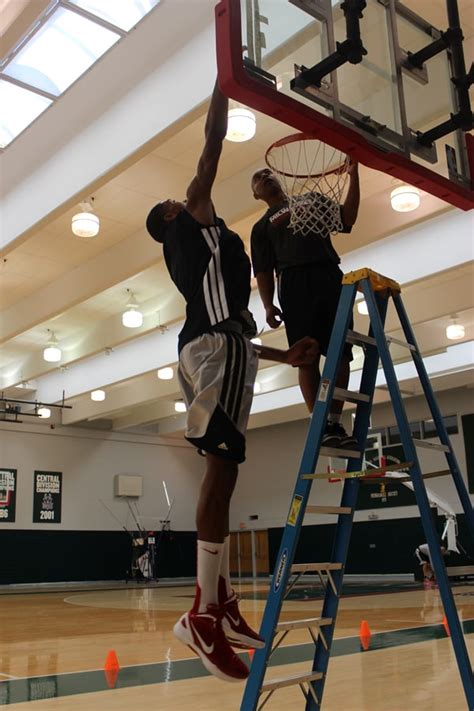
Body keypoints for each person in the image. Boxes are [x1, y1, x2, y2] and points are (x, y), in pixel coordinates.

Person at [146, 80, 319, 683]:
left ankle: (216, 602)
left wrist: (283, 355)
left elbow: (233, 328)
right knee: (220, 471)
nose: (189, 196)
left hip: (227, 347)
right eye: (180, 200)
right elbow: (211, 143)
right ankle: (201, 614)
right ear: (172, 215)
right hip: (214, 350)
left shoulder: (206, 250)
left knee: (229, 469)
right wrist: (225, 79)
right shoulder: (187, 221)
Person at [250, 158, 360, 448]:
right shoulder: (261, 227)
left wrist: (354, 176)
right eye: (258, 178)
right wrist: (268, 304)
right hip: (293, 283)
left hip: (328, 276)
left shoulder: (311, 199)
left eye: (267, 173)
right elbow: (262, 269)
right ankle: (319, 424)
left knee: (342, 352)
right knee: (306, 354)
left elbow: (347, 218)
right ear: (255, 194)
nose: (265, 176)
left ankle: (335, 424)